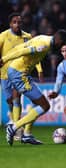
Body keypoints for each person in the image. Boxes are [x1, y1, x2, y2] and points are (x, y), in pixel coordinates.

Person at [0, 29, 66, 146]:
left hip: (20, 71)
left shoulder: (43, 38)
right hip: (19, 73)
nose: (61, 47)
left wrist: (40, 70)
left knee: (33, 102)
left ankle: (27, 135)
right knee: (44, 105)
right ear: (59, 40)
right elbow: (22, 51)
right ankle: (14, 127)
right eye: (62, 44)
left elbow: (24, 47)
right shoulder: (44, 45)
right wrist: (4, 59)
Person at [0, 12, 44, 144]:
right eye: (14, 22)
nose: (17, 25)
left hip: (20, 73)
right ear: (10, 24)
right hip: (5, 74)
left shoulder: (27, 37)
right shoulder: (3, 36)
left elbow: (33, 54)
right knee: (10, 101)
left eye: (19, 22)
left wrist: (39, 70)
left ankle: (16, 128)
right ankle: (14, 122)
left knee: (16, 96)